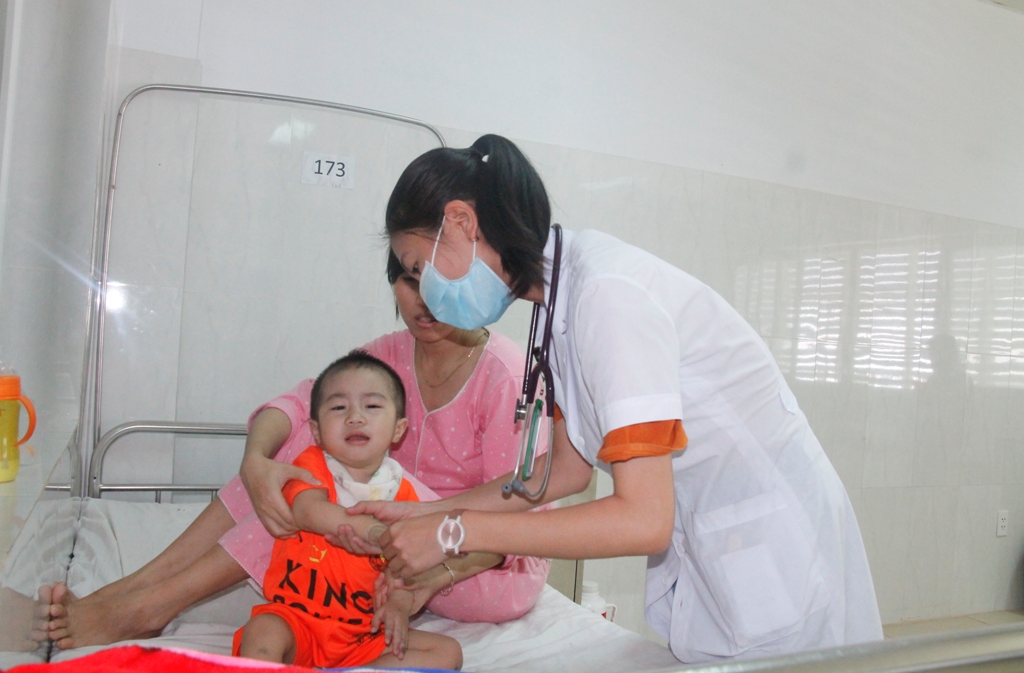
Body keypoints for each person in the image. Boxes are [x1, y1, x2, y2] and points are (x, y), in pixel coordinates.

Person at [353, 133, 884, 663]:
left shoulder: (607, 295)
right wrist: (428, 513)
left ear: (462, 222)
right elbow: (564, 471)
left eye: (419, 268)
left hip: (777, 545)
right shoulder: (557, 302)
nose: (424, 293)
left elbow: (644, 520)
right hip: (723, 543)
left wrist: (454, 531)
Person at [45, 265, 548, 649]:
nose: (424, 301)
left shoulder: (504, 375)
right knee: (305, 441)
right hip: (385, 531)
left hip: (477, 562)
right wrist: (255, 462)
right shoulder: (390, 353)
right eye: (409, 281)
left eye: (439, 283)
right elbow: (301, 401)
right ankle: (136, 589)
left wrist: (428, 572)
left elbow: (516, 518)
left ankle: (150, 605)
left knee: (309, 494)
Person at [233, 350, 462, 669]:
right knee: (262, 632)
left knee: (448, 653)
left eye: (372, 406)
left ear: (398, 430)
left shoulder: (404, 494)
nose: (355, 417)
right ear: (316, 431)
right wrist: (375, 532)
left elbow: (406, 568)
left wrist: (399, 603)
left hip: (363, 635)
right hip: (297, 623)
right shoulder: (312, 464)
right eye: (339, 407)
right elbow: (309, 512)